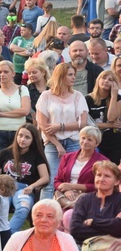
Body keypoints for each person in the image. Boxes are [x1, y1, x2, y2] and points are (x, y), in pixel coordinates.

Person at [36, 62, 89, 200]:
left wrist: (60, 126)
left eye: (74, 75)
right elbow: (43, 124)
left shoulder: (78, 96)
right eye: (70, 75)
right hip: (52, 143)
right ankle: (42, 214)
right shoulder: (46, 96)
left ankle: (71, 212)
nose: (73, 78)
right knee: (50, 180)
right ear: (61, 76)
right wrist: (57, 144)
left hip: (73, 141)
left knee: (73, 180)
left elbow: (82, 123)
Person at [0, 124, 49, 234]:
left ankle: (7, 236)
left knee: (23, 208)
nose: (22, 139)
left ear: (33, 140)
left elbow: (45, 177)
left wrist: (32, 186)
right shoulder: (5, 153)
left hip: (24, 189)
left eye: (27, 137)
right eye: (20, 135)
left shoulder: (36, 156)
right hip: (3, 189)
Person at [54, 126, 108, 228]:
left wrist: (72, 187)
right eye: (83, 138)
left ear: (97, 144)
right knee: (54, 215)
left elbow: (102, 186)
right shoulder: (67, 157)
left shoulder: (103, 162)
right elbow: (57, 181)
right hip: (64, 197)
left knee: (68, 217)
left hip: (89, 199)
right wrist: (66, 190)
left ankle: (72, 242)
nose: (85, 141)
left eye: (89, 139)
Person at [69, 160, 121, 242]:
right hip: (84, 247)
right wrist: (108, 232)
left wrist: (93, 222)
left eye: (107, 176)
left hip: (113, 248)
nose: (101, 179)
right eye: (99, 175)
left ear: (117, 181)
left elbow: (119, 226)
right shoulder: (84, 199)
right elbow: (75, 229)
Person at [85, 70, 121, 162]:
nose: (106, 81)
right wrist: (109, 125)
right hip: (95, 140)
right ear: (98, 80)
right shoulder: (88, 99)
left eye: (110, 80)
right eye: (104, 78)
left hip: (114, 141)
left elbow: (111, 118)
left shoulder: (118, 98)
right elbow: (87, 124)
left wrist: (113, 96)